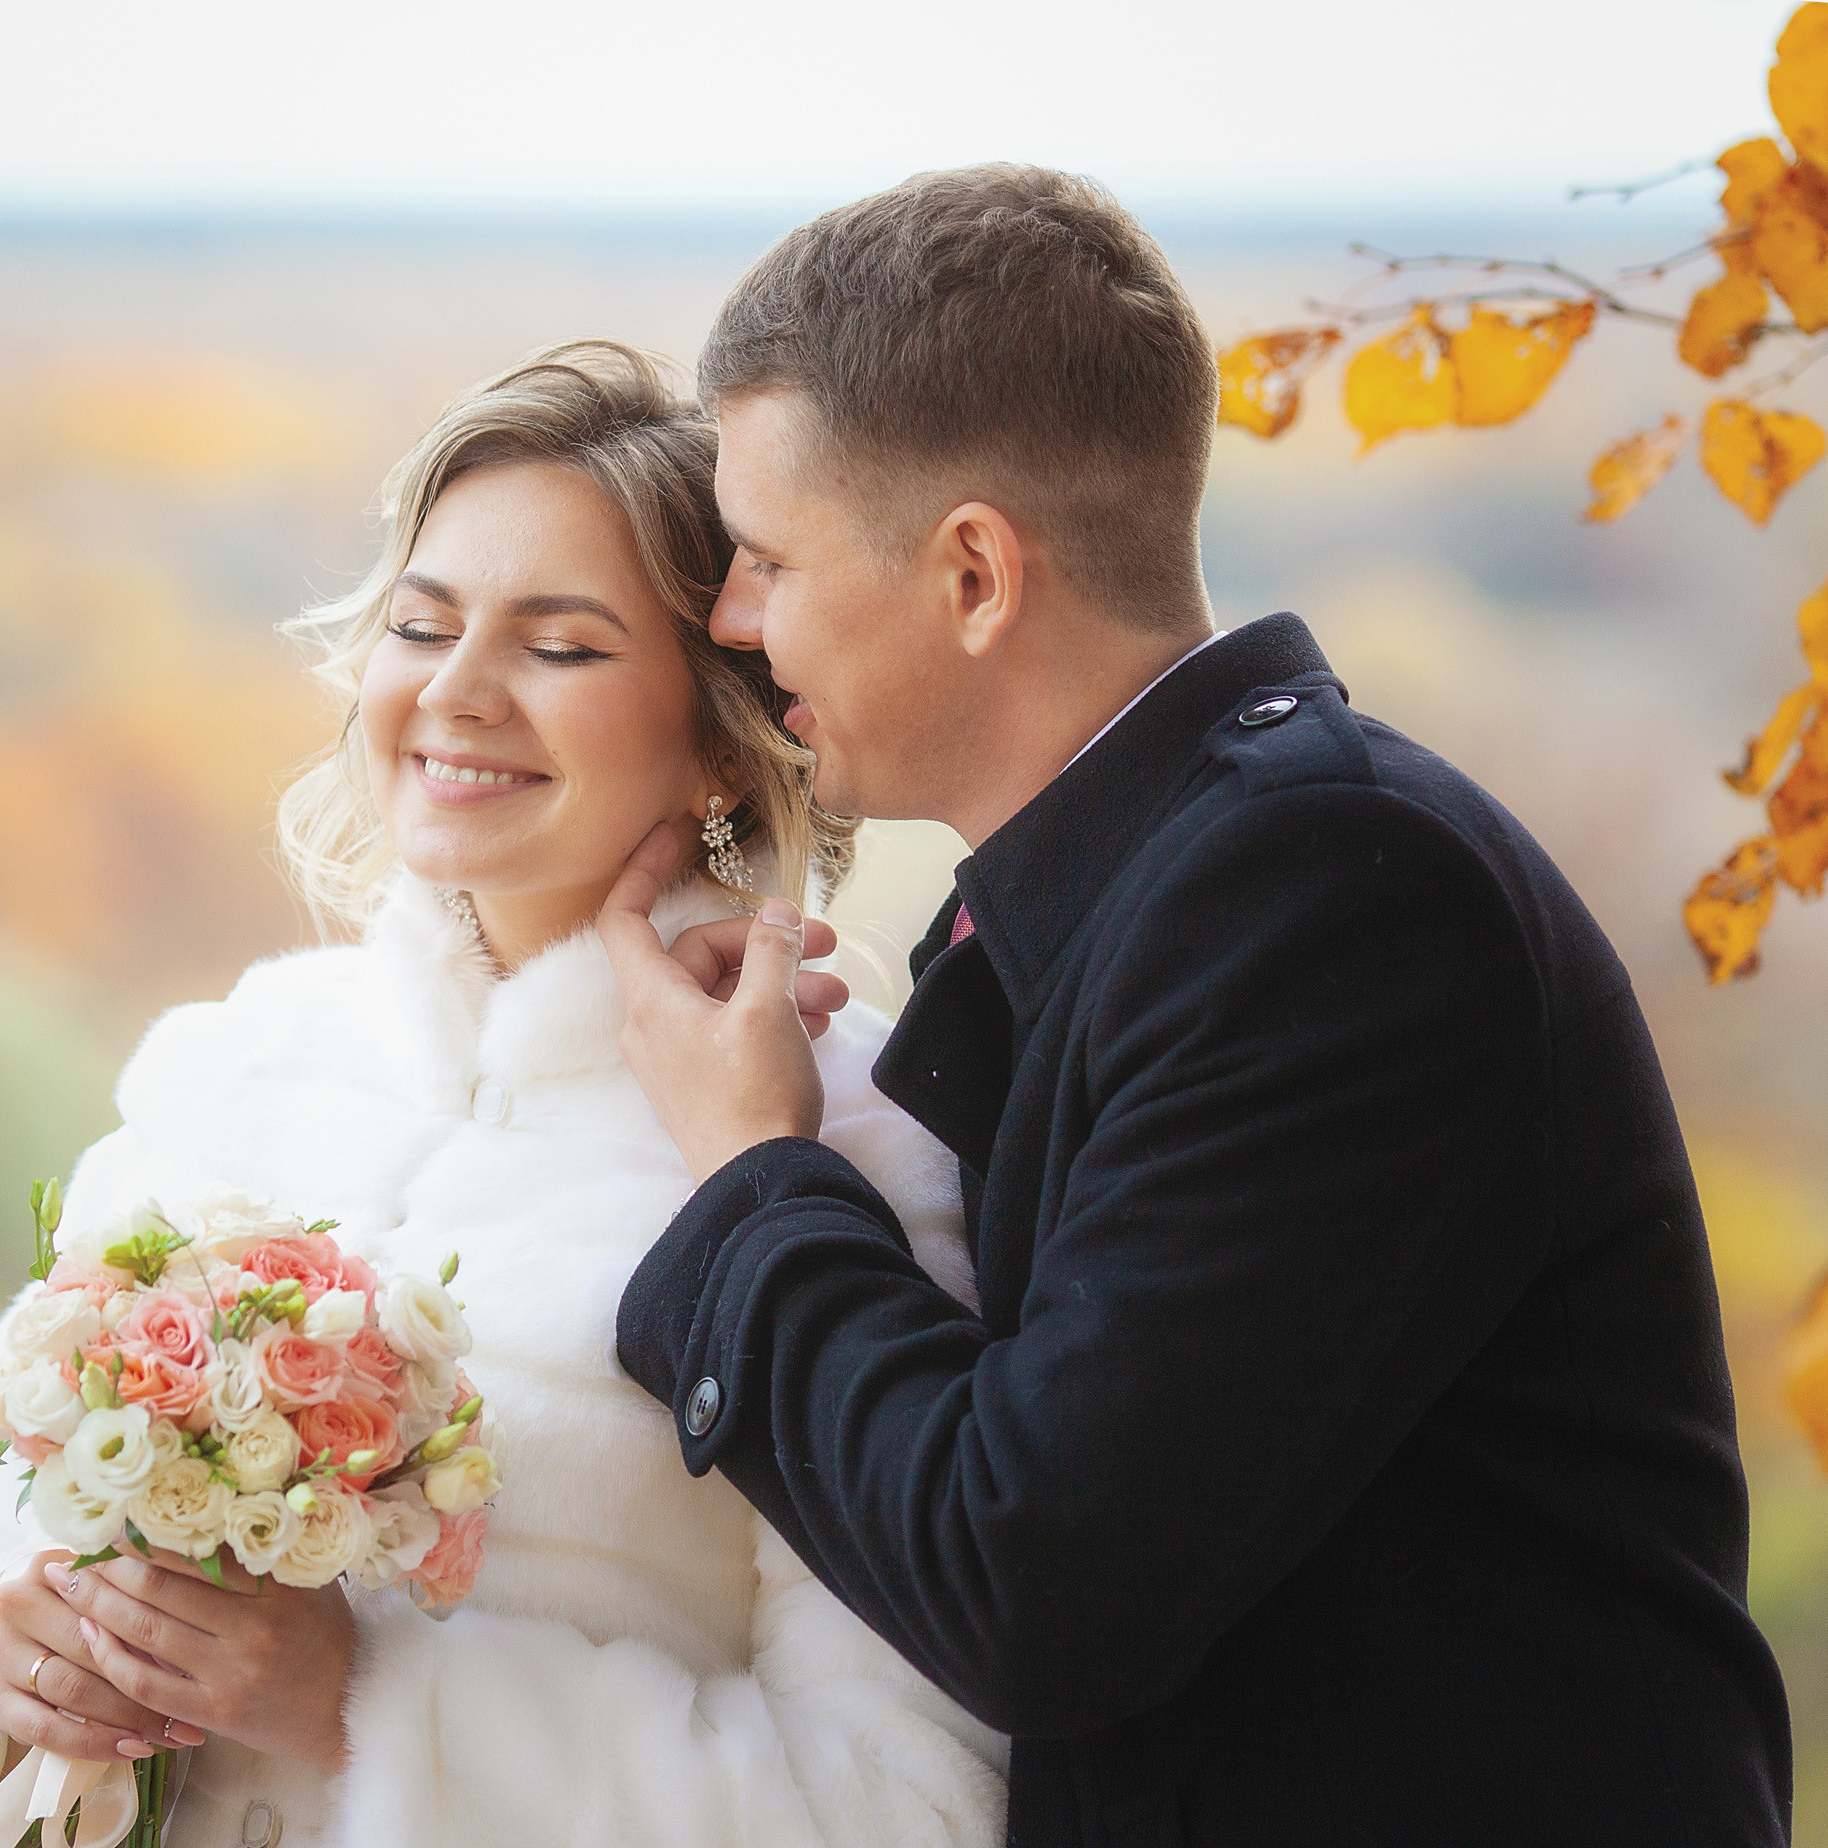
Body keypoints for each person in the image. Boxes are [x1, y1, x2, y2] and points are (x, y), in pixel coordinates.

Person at [597, 165, 1795, 1845]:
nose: (734, 618)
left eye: (769, 559)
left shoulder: (1330, 899)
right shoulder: (1161, 893)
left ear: (975, 576)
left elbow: (1036, 1579)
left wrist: (751, 1177)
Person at [0, 341, 1009, 1848]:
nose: (457, 693)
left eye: (561, 647)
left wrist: (369, 1706)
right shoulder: (236, 1064)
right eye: (420, 625)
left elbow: (909, 1806)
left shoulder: (842, 1150)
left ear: (721, 740)